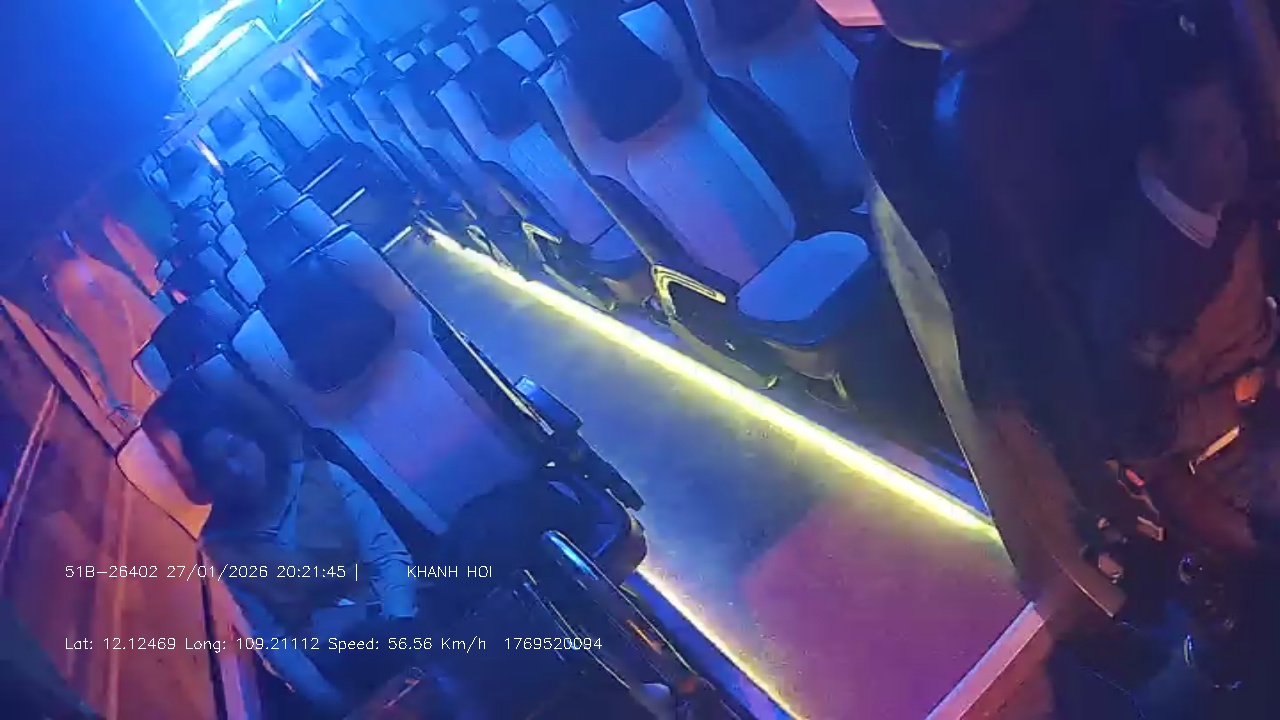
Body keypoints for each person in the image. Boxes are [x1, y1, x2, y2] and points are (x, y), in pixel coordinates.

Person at [1087, 31, 1280, 557]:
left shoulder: (1226, 196)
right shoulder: (1139, 283)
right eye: (1207, 134)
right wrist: (1243, 393)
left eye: (1233, 125)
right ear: (1159, 157)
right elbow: (1139, 434)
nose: (1234, 147)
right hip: (1229, 445)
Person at [186, 417, 419, 716]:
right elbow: (272, 638)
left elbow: (387, 556)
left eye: (235, 449)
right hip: (333, 661)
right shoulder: (220, 548)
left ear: (256, 440)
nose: (237, 471)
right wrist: (332, 702)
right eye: (217, 469)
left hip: (392, 620)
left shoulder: (326, 477)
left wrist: (400, 623)